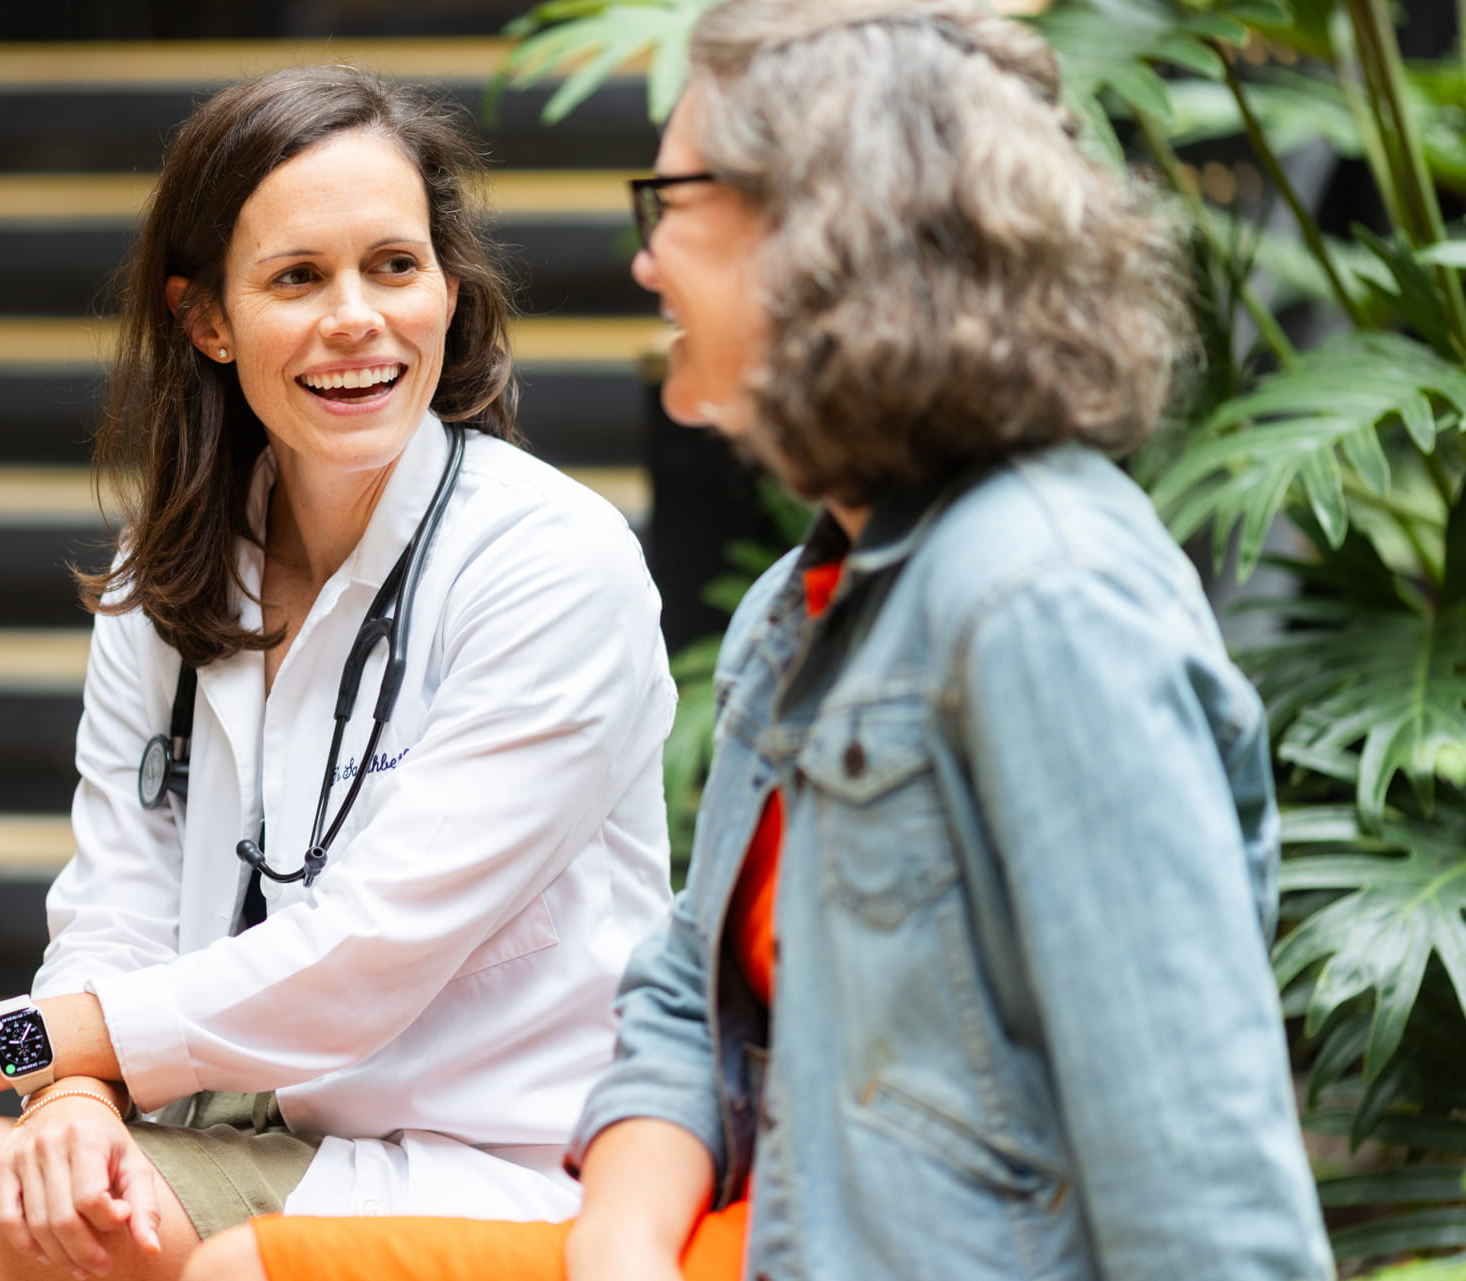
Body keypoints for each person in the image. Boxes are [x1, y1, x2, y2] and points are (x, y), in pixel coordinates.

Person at [179, 1, 1338, 1278]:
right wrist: (617, 1254)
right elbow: (681, 1001)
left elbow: (1200, 1180)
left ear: (828, 234)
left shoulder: (1046, 603)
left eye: (672, 201)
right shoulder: (803, 600)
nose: (646, 260)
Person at [0, 66, 675, 1281]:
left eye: (395, 267)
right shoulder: (175, 565)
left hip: (501, 1169)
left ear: (450, 297)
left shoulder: (549, 564)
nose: (357, 317)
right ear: (207, 319)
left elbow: (366, 955)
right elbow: (118, 896)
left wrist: (12, 1048)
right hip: (232, 1132)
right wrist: (71, 1101)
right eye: (298, 277)